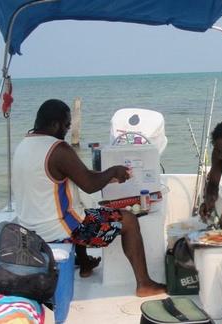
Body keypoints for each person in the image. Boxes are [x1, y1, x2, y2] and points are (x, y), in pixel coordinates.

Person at [13, 99, 165, 297]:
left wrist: (110, 175)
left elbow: (78, 176)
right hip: (58, 231)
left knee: (76, 209)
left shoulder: (23, 145)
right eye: (67, 125)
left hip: (29, 228)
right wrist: (112, 171)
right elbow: (89, 185)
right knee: (128, 221)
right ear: (54, 124)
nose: (68, 130)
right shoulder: (58, 149)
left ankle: (85, 263)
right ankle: (144, 283)